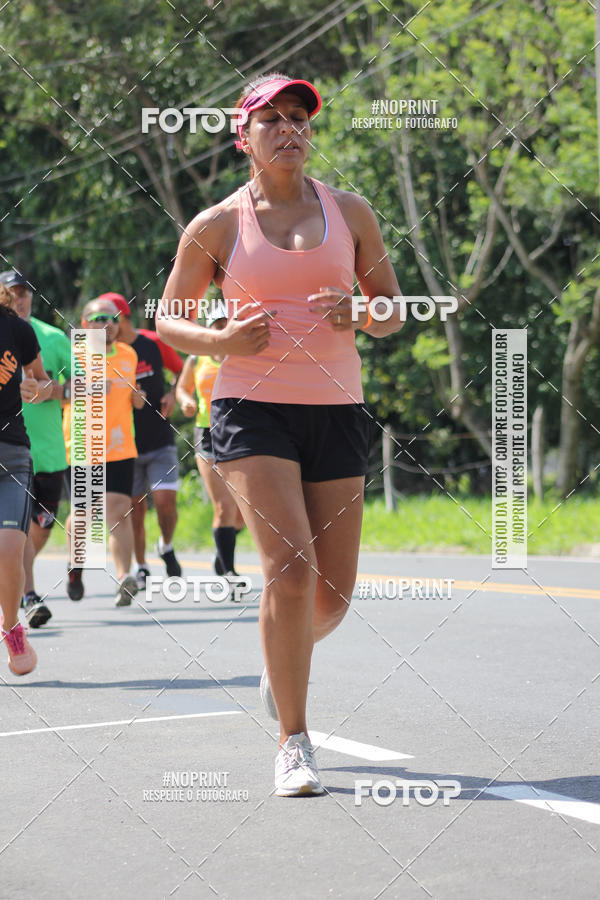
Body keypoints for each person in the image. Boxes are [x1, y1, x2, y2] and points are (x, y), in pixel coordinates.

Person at [156, 73, 404, 796]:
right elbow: (169, 319)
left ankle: (281, 653)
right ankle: (294, 742)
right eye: (274, 120)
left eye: (300, 118)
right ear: (246, 135)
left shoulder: (351, 212)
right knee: (290, 574)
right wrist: (223, 339)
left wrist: (360, 314)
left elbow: (393, 310)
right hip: (250, 408)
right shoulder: (217, 225)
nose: (291, 129)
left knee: (333, 597)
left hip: (336, 407)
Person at [0, 269, 72, 628]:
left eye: (24, 291)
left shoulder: (51, 336)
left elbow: (85, 387)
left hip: (50, 453)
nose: (19, 297)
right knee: (17, 534)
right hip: (17, 453)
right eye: (13, 291)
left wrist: (47, 391)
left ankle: (16, 583)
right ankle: (27, 594)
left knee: (40, 528)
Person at [63, 296, 146, 606]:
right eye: (98, 318)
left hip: (121, 445)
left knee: (118, 512)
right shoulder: (74, 355)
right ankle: (75, 566)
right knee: (83, 516)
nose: (106, 324)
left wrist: (138, 399)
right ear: (85, 325)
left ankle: (124, 578)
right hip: (84, 446)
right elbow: (59, 393)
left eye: (112, 318)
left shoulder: (129, 354)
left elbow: (132, 396)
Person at [106, 292, 183, 588]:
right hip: (124, 443)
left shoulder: (152, 342)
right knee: (134, 510)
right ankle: (140, 566)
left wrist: (173, 393)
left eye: (108, 318)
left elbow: (180, 369)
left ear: (122, 317)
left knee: (165, 502)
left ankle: (166, 545)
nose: (103, 325)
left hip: (159, 438)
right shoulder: (101, 350)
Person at [0, 280, 52, 674]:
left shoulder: (17, 328)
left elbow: (44, 382)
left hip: (13, 454)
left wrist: (36, 389)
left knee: (8, 549)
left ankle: (12, 626)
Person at [175, 308, 244, 578]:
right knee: (224, 506)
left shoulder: (244, 357)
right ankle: (229, 572)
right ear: (210, 328)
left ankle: (222, 550)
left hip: (240, 431)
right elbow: (182, 388)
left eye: (228, 323)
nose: (223, 328)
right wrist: (185, 401)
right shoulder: (197, 359)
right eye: (218, 324)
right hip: (207, 433)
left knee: (242, 513)